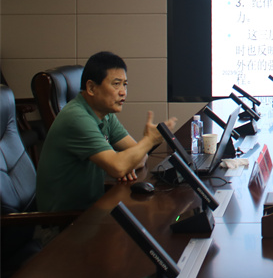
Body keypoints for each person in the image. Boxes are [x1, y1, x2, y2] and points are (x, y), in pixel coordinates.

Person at [36, 51, 178, 212]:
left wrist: (126, 162)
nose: (123, 92)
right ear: (91, 88)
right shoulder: (76, 118)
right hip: (64, 220)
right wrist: (148, 141)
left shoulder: (105, 114)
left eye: (125, 84)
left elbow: (140, 156)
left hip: (91, 208)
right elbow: (119, 166)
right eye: (116, 84)